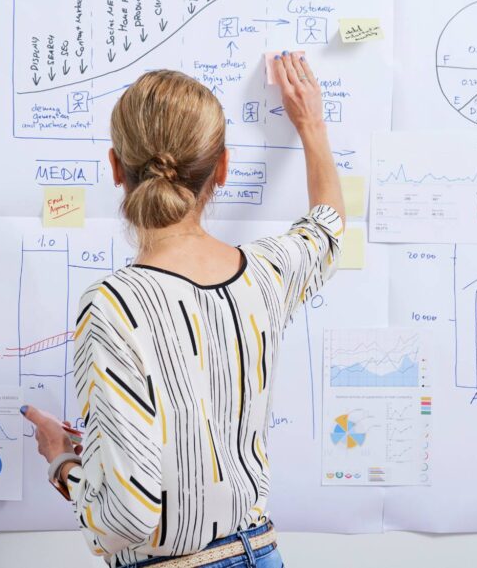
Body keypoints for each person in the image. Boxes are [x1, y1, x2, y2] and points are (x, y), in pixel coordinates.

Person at [23, 52, 344, 568]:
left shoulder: (113, 306)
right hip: (262, 552)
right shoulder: (266, 274)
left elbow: (129, 517)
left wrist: (62, 463)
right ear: (221, 166)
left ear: (113, 167)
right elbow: (327, 228)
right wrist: (310, 122)